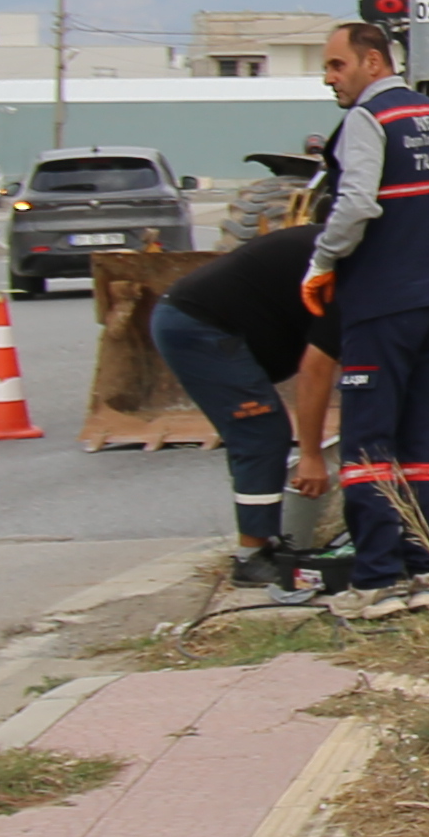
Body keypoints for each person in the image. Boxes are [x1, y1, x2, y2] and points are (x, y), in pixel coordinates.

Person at [302, 19, 429, 616]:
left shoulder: (366, 121)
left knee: (367, 446)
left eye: (336, 66)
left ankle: (376, 581)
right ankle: (427, 571)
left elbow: (355, 203)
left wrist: (322, 262)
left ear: (374, 62)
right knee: (420, 447)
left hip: (382, 303)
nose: (329, 79)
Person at [144, 213, 341, 602]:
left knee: (254, 431)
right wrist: (312, 456)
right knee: (260, 430)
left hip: (220, 324)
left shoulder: (355, 252)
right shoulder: (351, 271)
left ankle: (260, 540)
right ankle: (252, 556)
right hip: (197, 325)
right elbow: (315, 372)